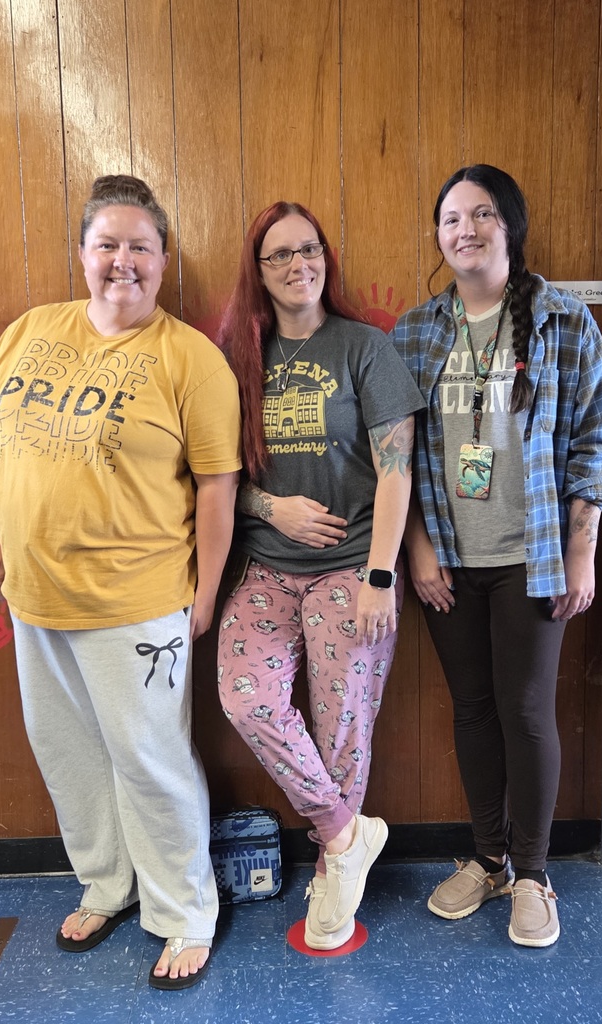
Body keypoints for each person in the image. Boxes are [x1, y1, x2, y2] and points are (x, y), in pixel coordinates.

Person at [0, 175, 241, 989]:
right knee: (69, 755)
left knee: (150, 758)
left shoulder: (190, 358)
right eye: (106, 245)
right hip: (34, 595)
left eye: (140, 247)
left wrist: (207, 592)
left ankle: (184, 911)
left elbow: (218, 488)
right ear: (83, 254)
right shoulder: (30, 331)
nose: (123, 261)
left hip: (138, 601)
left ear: (163, 259)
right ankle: (107, 884)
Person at [391, 165, 602, 948]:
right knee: (472, 709)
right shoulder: (417, 331)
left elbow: (596, 437)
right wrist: (417, 549)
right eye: (451, 217)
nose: (465, 229)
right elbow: (398, 451)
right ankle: (487, 857)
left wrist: (582, 550)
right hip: (449, 556)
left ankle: (532, 873)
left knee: (524, 711)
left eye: (482, 214)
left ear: (509, 227)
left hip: (535, 553)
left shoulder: (561, 320)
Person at [215, 201, 425, 950]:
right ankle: (343, 835)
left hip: (352, 564)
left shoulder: (364, 348)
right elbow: (210, 474)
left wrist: (378, 575)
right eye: (279, 255)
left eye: (309, 250)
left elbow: (397, 471)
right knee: (246, 699)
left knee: (342, 724)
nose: (298, 264)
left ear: (325, 259)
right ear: (258, 270)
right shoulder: (234, 356)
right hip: (268, 565)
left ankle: (332, 872)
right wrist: (272, 508)